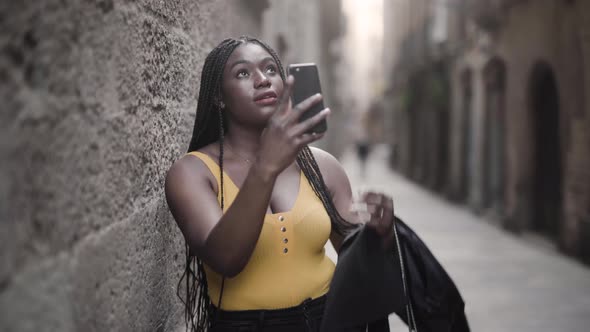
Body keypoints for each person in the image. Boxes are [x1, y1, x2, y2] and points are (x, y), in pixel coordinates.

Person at [165, 36, 395, 332]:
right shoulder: (192, 173)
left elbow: (356, 262)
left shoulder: (322, 165)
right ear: (218, 96)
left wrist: (381, 234)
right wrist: (266, 167)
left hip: (328, 320)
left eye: (271, 69)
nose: (262, 80)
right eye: (243, 73)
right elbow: (226, 259)